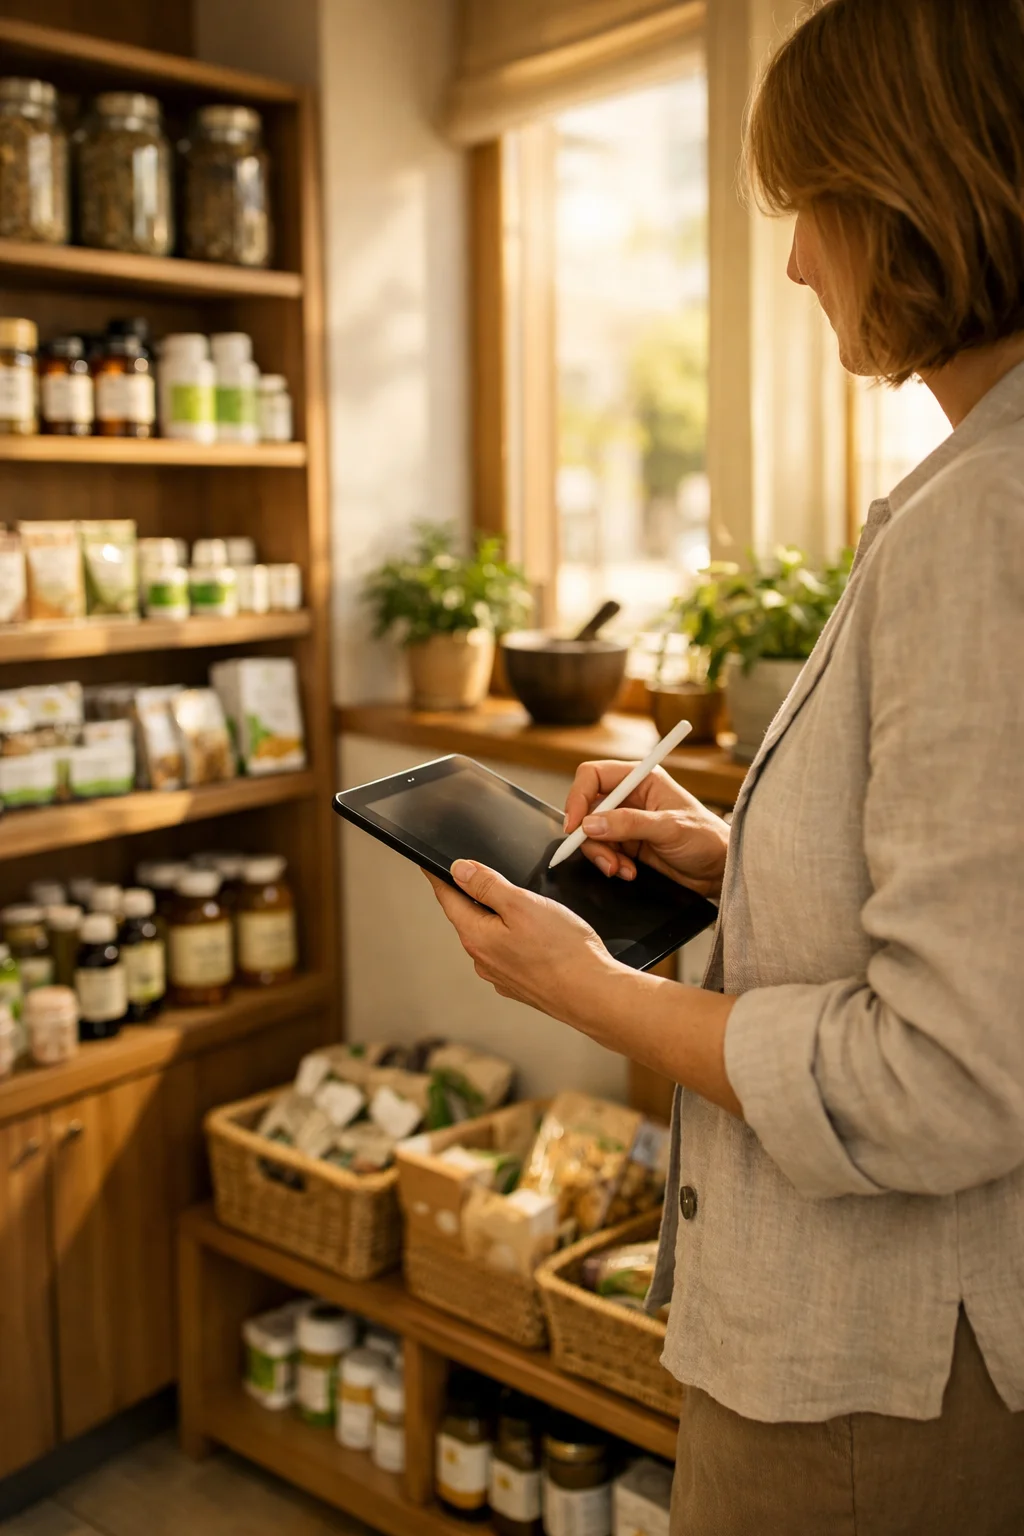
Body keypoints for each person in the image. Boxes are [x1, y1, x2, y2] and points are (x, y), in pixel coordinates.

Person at [425, 0, 1024, 1530]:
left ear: (907, 193)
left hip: (875, 1378)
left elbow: (945, 1079)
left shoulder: (983, 519)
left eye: (806, 211)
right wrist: (729, 853)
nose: (795, 262)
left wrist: (592, 990)